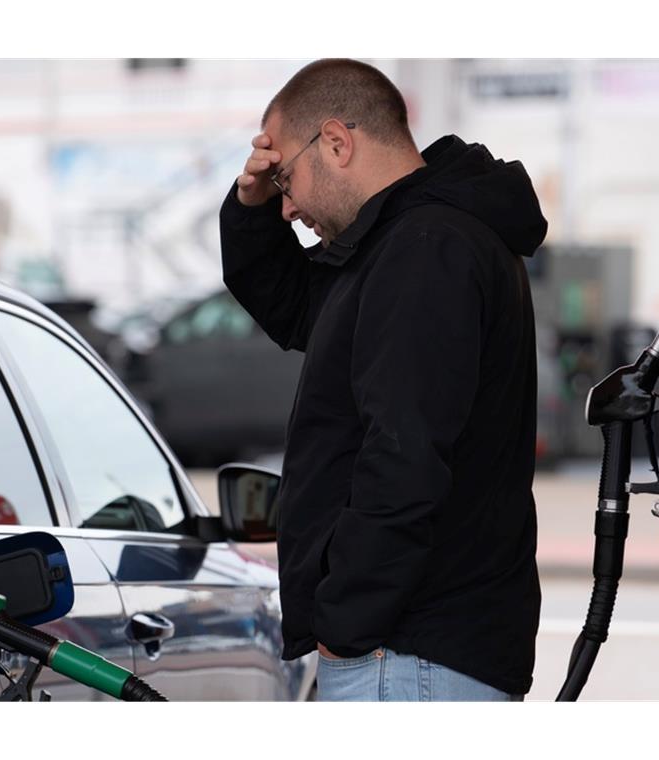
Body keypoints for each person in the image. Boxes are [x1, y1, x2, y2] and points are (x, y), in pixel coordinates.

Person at [219, 59, 547, 701]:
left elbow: (403, 455)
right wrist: (250, 206)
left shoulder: (426, 247)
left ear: (337, 143)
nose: (287, 207)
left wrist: (344, 622)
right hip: (413, 652)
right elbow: (295, 306)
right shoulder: (407, 241)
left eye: (285, 178)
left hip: (408, 652)